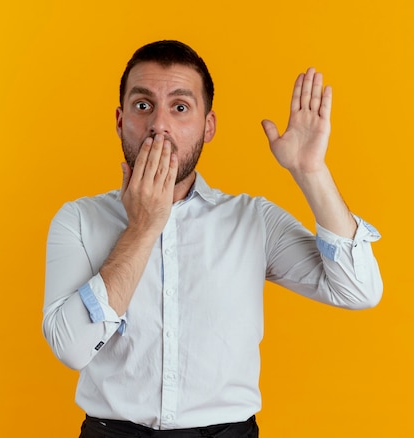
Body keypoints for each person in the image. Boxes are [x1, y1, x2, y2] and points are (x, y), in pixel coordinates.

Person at [42, 40, 383, 437]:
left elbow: (359, 291)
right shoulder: (78, 220)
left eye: (180, 107)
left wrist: (311, 172)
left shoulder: (252, 220)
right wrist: (143, 227)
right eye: (143, 105)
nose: (159, 125)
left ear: (209, 127)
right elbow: (71, 348)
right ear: (120, 120)